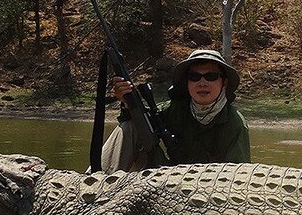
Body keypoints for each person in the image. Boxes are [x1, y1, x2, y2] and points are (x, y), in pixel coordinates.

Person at [101, 49, 250, 171]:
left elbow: (238, 177)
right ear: (187, 82)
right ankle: (97, 184)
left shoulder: (236, 123)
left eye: (211, 76)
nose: (202, 83)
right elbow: (140, 120)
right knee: (131, 125)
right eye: (194, 77)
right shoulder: (173, 109)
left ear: (224, 82)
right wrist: (127, 102)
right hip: (167, 176)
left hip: (211, 190)